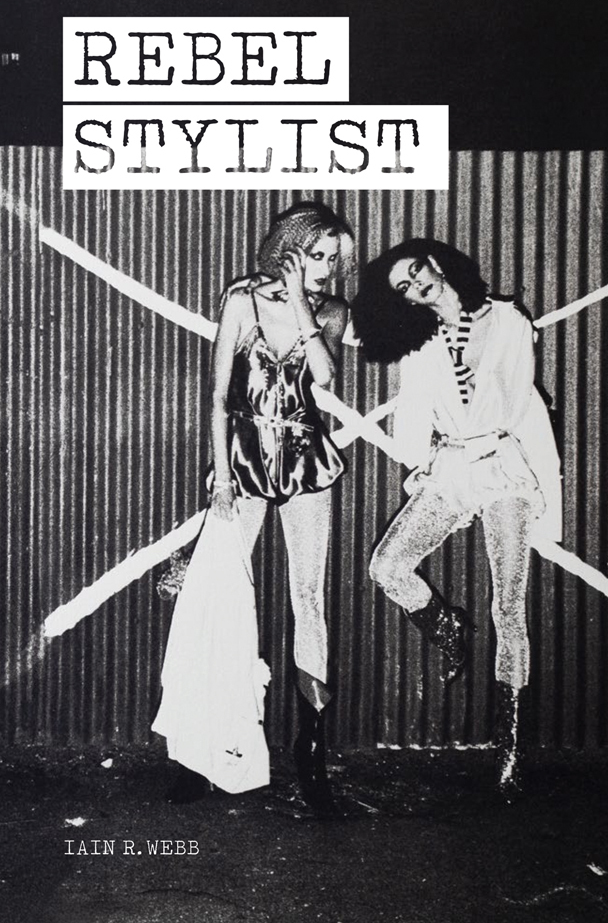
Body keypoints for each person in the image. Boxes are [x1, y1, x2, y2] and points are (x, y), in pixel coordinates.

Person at [153, 201, 353, 815]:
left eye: (334, 258)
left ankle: (310, 752)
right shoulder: (241, 301)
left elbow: (325, 378)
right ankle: (198, 754)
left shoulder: (331, 311)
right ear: (289, 248)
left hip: (306, 462)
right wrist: (219, 479)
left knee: (308, 598)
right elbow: (217, 396)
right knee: (216, 595)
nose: (327, 267)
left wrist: (302, 303)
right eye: (316, 254)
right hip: (242, 459)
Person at [350, 238, 562, 797]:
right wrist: (427, 455)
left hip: (501, 465)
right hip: (451, 468)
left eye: (416, 271)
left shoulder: (509, 321)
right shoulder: (421, 344)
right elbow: (412, 423)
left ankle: (509, 745)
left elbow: (518, 402)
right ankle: (445, 626)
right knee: (387, 565)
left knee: (508, 606)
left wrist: (485, 431)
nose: (416, 285)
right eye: (403, 287)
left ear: (437, 264)